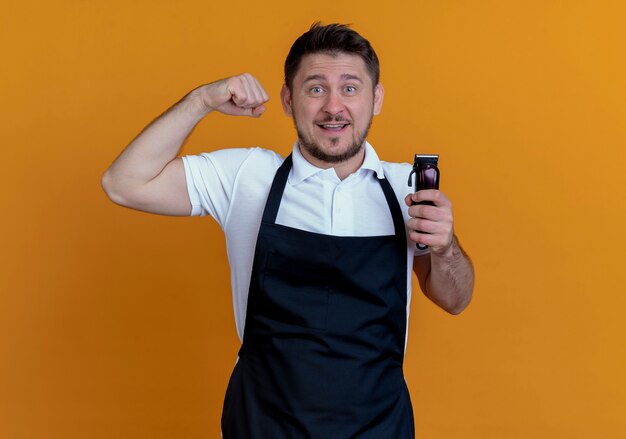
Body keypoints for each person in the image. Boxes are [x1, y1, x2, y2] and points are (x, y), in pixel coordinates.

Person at [102, 22, 474, 439]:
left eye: (350, 88)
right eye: (316, 88)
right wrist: (201, 99)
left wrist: (445, 249)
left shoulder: (409, 188)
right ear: (287, 98)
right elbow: (123, 184)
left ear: (377, 98)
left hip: (379, 427)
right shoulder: (247, 176)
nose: (334, 107)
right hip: (263, 426)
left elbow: (455, 300)